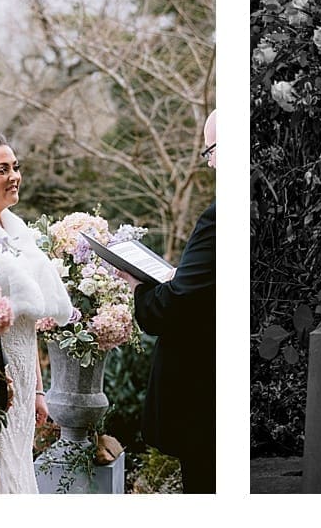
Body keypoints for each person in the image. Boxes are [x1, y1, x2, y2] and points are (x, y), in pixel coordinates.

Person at [0, 130, 70, 493]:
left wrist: (38, 390)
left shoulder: (18, 229)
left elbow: (30, 318)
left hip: (24, 376)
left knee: (18, 467)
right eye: (2, 169)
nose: (14, 176)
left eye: (16, 167)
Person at [133, 111, 217, 493]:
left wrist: (140, 286)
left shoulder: (219, 217)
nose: (210, 162)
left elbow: (176, 305)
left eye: (211, 151)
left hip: (204, 401)